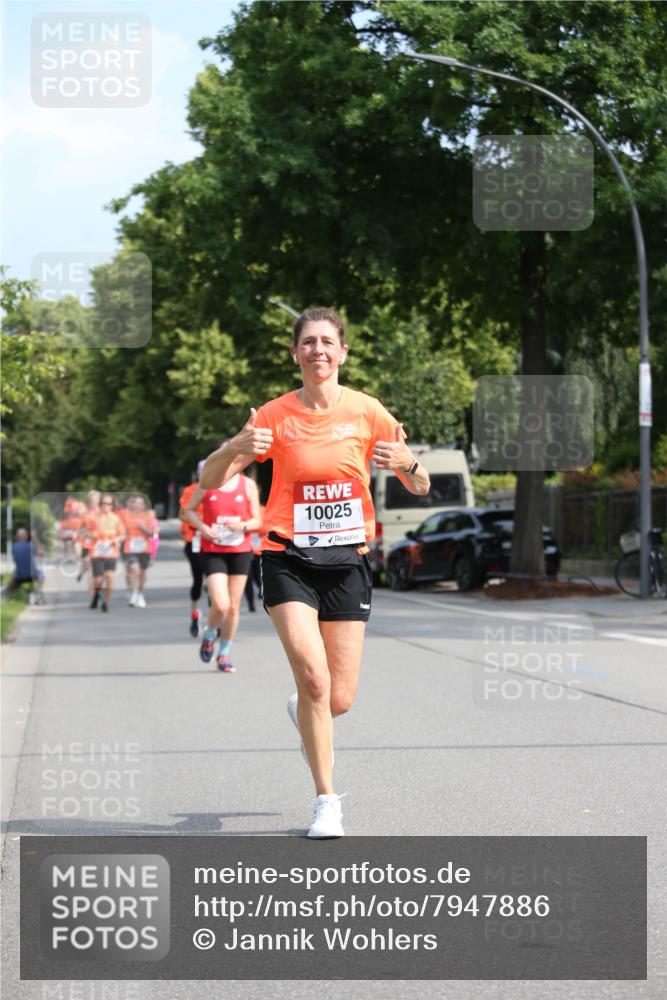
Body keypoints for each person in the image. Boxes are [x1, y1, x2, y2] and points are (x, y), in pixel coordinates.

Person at [199, 307, 430, 838]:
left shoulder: (368, 411)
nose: (318, 350)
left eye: (328, 342)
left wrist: (406, 463)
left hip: (347, 562)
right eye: (308, 342)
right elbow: (210, 480)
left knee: (337, 697)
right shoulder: (274, 416)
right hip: (287, 560)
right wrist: (237, 445)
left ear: (343, 352)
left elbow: (418, 484)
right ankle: (327, 801)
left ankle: (303, 710)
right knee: (314, 679)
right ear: (295, 353)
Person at [184, 450, 261, 672]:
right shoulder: (207, 482)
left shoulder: (247, 485)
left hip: (240, 549)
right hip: (213, 548)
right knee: (220, 604)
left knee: (233, 607)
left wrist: (243, 526)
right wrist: (203, 527)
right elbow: (188, 510)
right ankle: (210, 634)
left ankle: (224, 653)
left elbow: (257, 520)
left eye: (238, 456)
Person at [179, 461, 207, 637]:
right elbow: (182, 515)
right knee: (198, 579)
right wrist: (196, 519)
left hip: (217, 542)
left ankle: (215, 618)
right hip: (195, 540)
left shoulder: (222, 489)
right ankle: (195, 614)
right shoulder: (191, 490)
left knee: (213, 584)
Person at [89, 494, 125, 612]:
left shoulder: (116, 519)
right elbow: (85, 532)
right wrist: (93, 536)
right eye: (103, 503)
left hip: (111, 552)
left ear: (112, 506)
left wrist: (115, 539)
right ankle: (96, 595)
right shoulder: (94, 518)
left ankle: (105, 602)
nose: (106, 506)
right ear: (100, 505)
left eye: (108, 504)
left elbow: (123, 535)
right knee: (98, 580)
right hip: (97, 552)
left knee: (110, 577)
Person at [120, 494, 155, 607]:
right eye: (136, 503)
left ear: (144, 505)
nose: (138, 505)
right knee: (135, 570)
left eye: (141, 503)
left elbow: (152, 534)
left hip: (144, 548)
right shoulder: (126, 516)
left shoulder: (148, 517)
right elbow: (120, 529)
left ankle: (140, 593)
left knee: (142, 573)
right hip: (130, 548)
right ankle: (135, 593)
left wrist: (143, 527)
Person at [9, 528, 45, 603]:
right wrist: (35, 538)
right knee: (42, 574)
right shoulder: (30, 546)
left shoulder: (14, 547)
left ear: (17, 537)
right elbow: (41, 552)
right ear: (26, 537)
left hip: (19, 577)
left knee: (13, 574)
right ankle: (38, 591)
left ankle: (12, 595)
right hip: (33, 576)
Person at [77, 490, 100, 585]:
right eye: (91, 500)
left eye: (95, 500)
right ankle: (94, 594)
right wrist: (84, 533)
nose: (93, 502)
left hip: (101, 544)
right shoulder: (84, 513)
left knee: (98, 571)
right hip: (87, 544)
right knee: (90, 568)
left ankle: (82, 570)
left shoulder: (104, 513)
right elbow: (79, 530)